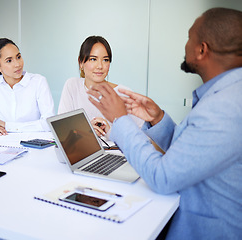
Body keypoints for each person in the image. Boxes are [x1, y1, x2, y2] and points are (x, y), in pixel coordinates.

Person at [87, 8, 242, 239]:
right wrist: (158, 119)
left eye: (189, 37)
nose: (185, 44)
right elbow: (195, 152)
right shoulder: (228, 93)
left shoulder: (224, 106)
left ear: (202, 49)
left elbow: (163, 177)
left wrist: (120, 119)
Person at [0, 38, 55, 135]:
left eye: (18, 57)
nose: (17, 64)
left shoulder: (38, 82)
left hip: (34, 143)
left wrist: (7, 126)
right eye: (9, 61)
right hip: (3, 142)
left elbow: (48, 123)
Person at [58, 36, 143, 137]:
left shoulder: (123, 92)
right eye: (93, 59)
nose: (100, 66)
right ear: (81, 63)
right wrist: (86, 129)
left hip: (116, 152)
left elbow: (143, 136)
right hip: (81, 151)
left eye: (105, 60)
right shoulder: (72, 85)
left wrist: (109, 131)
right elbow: (61, 129)